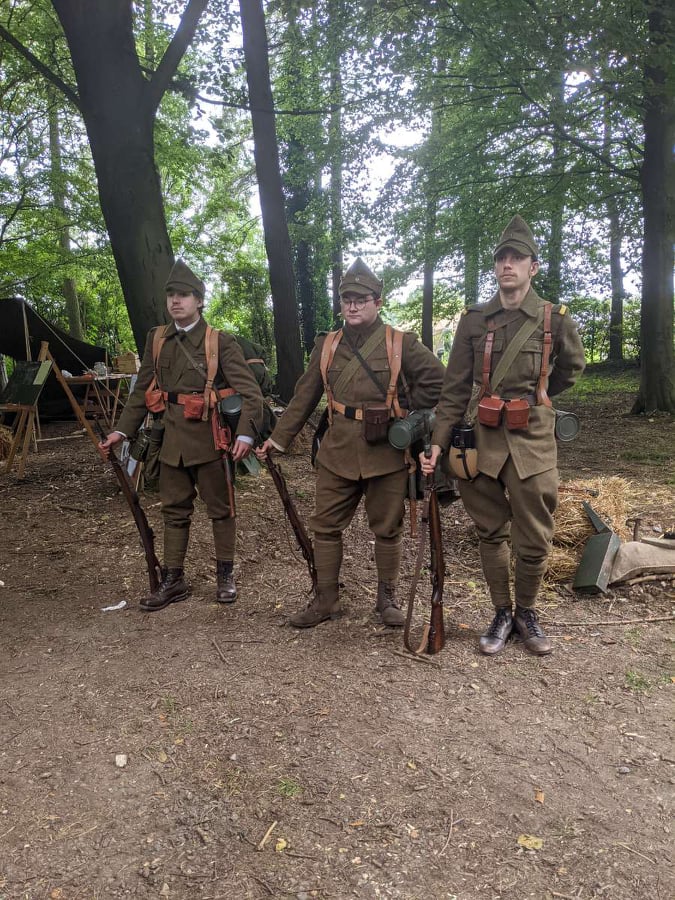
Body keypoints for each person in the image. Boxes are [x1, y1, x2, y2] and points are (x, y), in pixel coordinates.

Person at [420, 216, 585, 656]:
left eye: (517, 258)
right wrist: (437, 443)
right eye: (502, 258)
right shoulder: (474, 320)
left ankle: (526, 612)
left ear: (533, 266)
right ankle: (500, 612)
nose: (508, 265)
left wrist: (538, 396)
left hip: (533, 440)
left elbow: (571, 368)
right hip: (484, 440)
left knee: (535, 534)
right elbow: (455, 389)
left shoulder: (554, 319)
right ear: (495, 266)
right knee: (490, 531)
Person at [256, 257, 445, 628]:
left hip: (387, 452)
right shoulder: (327, 345)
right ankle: (326, 599)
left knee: (387, 528)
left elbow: (440, 383)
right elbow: (305, 395)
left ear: (378, 301)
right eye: (347, 300)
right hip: (338, 449)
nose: (353, 306)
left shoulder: (400, 343)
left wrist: (406, 410)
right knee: (325, 525)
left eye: (361, 299)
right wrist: (278, 440)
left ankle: (386, 598)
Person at [99, 260, 264, 611]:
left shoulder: (219, 341)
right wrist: (121, 431)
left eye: (184, 295)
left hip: (210, 440)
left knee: (221, 509)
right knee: (174, 510)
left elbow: (251, 394)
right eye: (171, 295)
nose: (176, 301)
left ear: (199, 300)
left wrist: (246, 436)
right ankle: (173, 580)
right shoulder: (157, 339)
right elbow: (142, 390)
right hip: (170, 440)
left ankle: (225, 575)